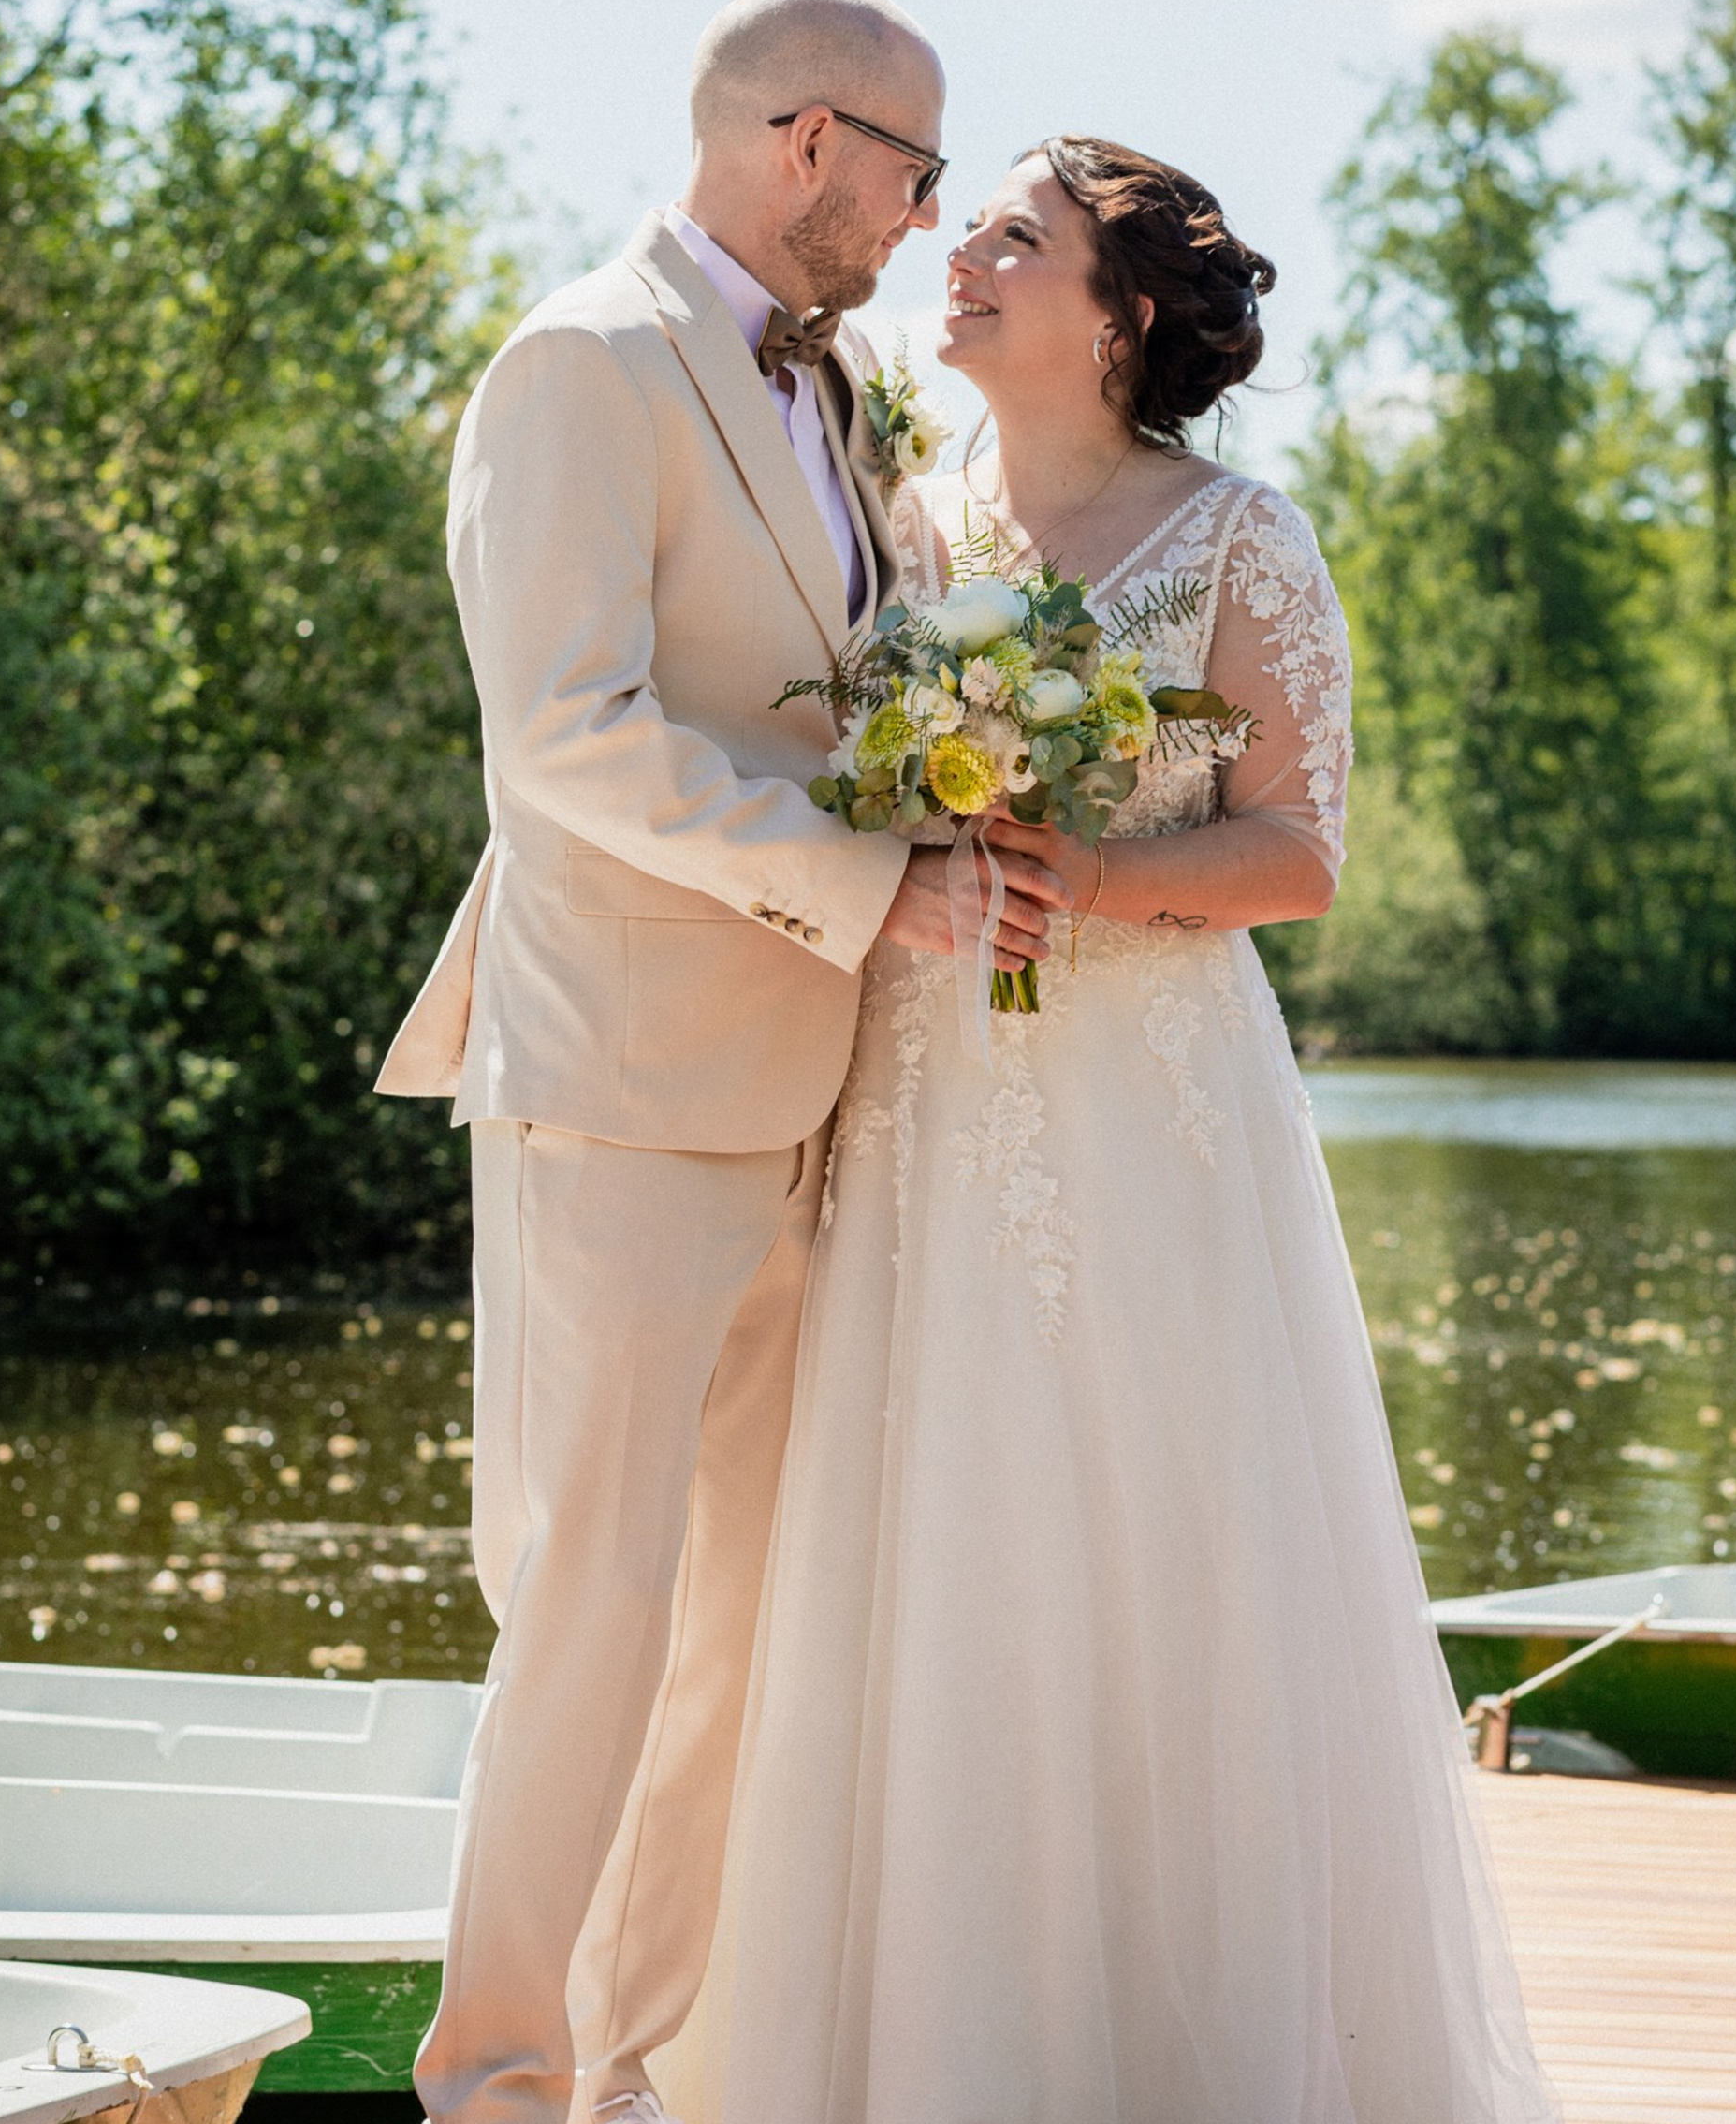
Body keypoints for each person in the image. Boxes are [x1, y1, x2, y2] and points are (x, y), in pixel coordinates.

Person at [666, 139, 1559, 2123]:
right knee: (920, 1530)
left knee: (1153, 1542)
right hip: (919, 1087)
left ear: (1119, 315)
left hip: (1146, 1107)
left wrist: (1087, 870)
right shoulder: (905, 514)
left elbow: (1300, 854)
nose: (958, 258)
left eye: (1012, 238)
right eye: (965, 224)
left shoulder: (1241, 538)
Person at [374, 0, 1066, 2124]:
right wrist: (872, 892)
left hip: (817, 1097)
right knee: (590, 1610)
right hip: (618, 1082)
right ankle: (490, 2080)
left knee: (729, 1640)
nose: (924, 216)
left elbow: (829, 694)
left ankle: (627, 2072)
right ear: (802, 142)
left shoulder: (842, 396)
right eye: (913, 170)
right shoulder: (577, 364)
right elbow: (562, 738)